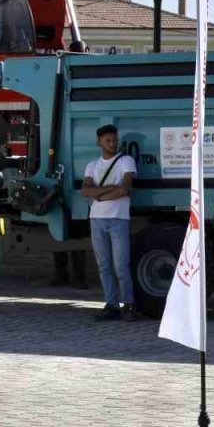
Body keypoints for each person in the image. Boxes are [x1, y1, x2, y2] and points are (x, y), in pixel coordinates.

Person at [81, 124, 138, 321]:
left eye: (114, 140)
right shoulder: (92, 165)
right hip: (96, 219)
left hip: (118, 218)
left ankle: (129, 305)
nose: (112, 144)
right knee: (104, 265)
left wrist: (100, 195)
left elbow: (124, 189)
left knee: (121, 265)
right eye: (108, 141)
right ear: (99, 143)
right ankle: (111, 305)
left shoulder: (126, 161)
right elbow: (85, 191)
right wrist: (110, 189)